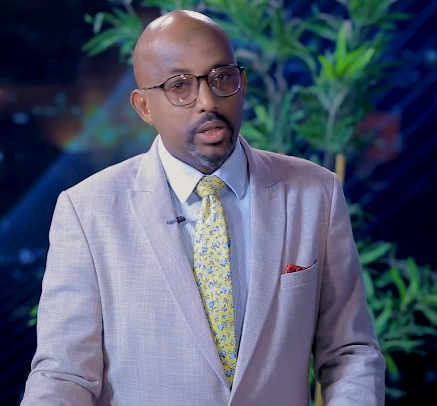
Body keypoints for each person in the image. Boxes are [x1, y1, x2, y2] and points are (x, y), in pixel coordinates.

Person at [21, 9, 385, 406]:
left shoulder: (315, 193)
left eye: (221, 77)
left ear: (242, 84)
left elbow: (350, 353)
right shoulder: (87, 210)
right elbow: (65, 374)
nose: (208, 101)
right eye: (180, 86)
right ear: (143, 106)